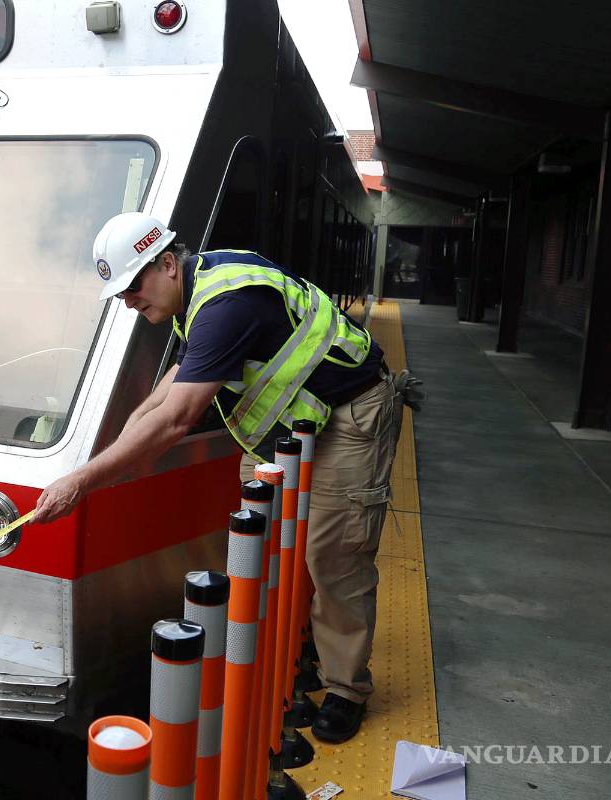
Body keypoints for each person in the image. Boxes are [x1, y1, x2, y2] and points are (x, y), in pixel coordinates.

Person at [31, 211, 417, 743]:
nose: (129, 301)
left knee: (334, 556)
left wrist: (82, 482)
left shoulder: (225, 305)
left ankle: (345, 688)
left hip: (350, 416)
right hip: (289, 428)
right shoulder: (196, 292)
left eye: (133, 286)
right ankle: (298, 647)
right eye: (120, 293)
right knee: (268, 545)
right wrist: (126, 431)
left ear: (168, 264)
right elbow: (178, 376)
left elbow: (178, 418)